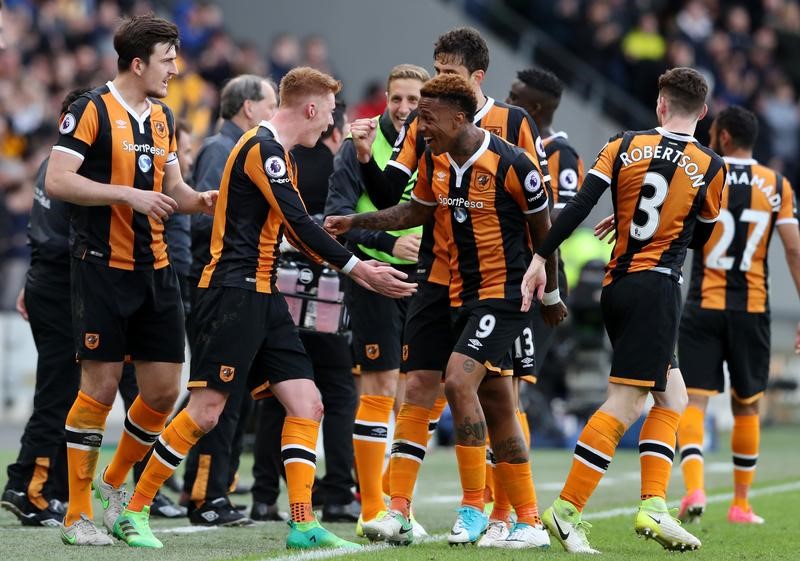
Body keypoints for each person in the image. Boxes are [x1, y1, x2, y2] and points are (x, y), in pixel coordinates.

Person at [117, 66, 416, 550]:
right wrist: (360, 268)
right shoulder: (264, 149)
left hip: (263, 291)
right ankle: (132, 510)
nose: (331, 124)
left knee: (307, 402)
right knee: (208, 412)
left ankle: (302, 524)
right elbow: (299, 223)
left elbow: (296, 226)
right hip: (233, 291)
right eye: (330, 112)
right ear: (312, 108)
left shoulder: (281, 154)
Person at [345, 27, 561, 546]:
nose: (438, 78)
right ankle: (398, 509)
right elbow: (406, 199)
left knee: (493, 393)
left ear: (474, 78)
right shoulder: (427, 128)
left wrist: (548, 287)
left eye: (449, 71)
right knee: (418, 388)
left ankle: (503, 512)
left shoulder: (512, 128)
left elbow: (540, 214)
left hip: (499, 284)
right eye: (435, 67)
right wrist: (357, 211)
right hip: (437, 278)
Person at [522, 67, 725, 554]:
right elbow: (701, 235)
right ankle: (567, 511)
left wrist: (538, 257)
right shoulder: (711, 164)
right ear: (702, 112)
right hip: (656, 289)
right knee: (628, 402)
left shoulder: (622, 144)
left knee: (671, 397)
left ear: (659, 106)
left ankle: (653, 506)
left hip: (615, 286)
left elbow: (572, 210)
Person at [45, 15, 217, 546]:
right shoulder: (90, 109)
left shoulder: (163, 117)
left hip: (157, 271)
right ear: (138, 62)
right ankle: (78, 515)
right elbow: (57, 180)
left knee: (164, 391)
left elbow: (175, 191)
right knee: (96, 388)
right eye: (167, 59)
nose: (175, 69)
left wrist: (205, 202)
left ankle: (116, 480)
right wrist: (126, 195)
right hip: (100, 267)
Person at [674, 105, 800, 525]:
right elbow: (794, 250)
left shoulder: (701, 171)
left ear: (724, 137)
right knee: (747, 406)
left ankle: (694, 487)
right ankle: (741, 504)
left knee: (693, 400)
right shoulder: (776, 184)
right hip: (752, 309)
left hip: (703, 304)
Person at [324, 63, 429, 535]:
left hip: (427, 279)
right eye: (398, 99)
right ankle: (371, 509)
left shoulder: (434, 140)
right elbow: (337, 217)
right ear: (386, 98)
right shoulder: (357, 145)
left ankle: (395, 503)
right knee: (381, 387)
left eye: (414, 100)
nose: (405, 108)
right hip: (373, 276)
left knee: (422, 392)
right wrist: (388, 245)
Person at [251, 100, 362, 524]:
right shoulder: (338, 166)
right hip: (326, 295)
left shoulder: (285, 156)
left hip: (279, 291)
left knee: (275, 397)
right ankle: (336, 492)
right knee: (336, 393)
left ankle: (263, 496)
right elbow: (330, 224)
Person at [182, 74, 277, 527]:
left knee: (231, 398)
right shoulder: (222, 150)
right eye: (271, 103)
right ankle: (204, 495)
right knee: (217, 397)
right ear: (248, 108)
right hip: (220, 286)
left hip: (234, 285)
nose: (275, 112)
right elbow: (201, 221)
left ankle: (209, 489)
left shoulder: (240, 148)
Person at [1, 90, 87, 528]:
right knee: (59, 391)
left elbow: (43, 229)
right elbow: (68, 239)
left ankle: (46, 487)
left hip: (45, 282)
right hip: (61, 286)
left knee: (65, 391)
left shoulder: (51, 163)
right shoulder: (73, 168)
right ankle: (26, 487)